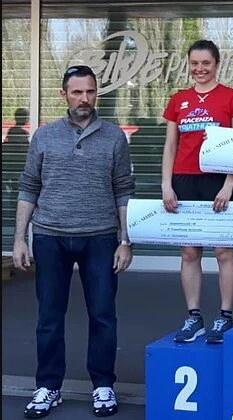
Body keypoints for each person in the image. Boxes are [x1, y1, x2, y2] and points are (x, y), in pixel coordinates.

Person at [13, 65, 135, 418]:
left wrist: (125, 240)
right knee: (49, 317)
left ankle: (103, 386)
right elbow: (29, 187)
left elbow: (123, 191)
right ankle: (48, 386)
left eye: (90, 92)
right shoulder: (44, 136)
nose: (84, 99)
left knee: (103, 315)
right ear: (64, 94)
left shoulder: (114, 137)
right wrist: (19, 238)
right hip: (50, 237)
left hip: (100, 238)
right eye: (77, 92)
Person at [162, 40, 233, 344]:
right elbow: (170, 145)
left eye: (206, 63)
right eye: (195, 63)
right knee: (189, 252)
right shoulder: (179, 100)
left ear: (217, 64)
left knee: (223, 251)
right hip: (184, 180)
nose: (200, 69)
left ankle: (225, 315)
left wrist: (229, 183)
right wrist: (166, 184)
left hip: (219, 181)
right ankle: (194, 317)